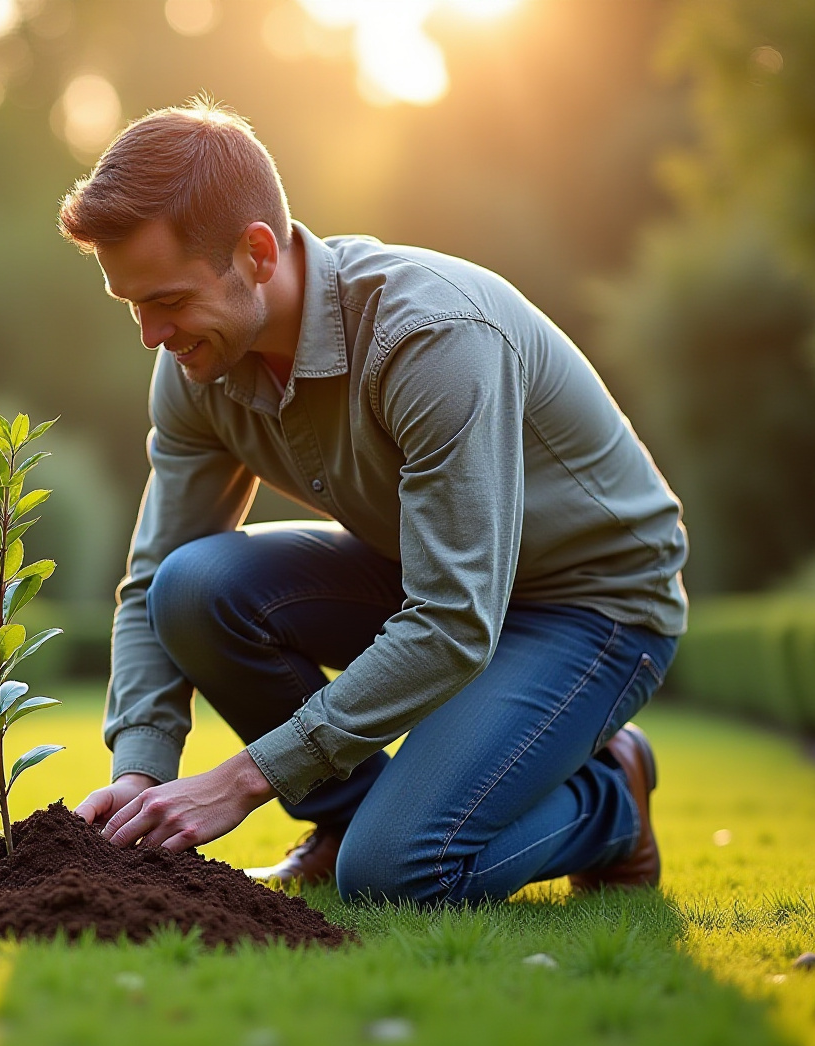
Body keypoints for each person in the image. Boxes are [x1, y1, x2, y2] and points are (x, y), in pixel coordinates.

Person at [66, 99, 688, 905]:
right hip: (433, 580)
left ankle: (612, 805)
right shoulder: (200, 364)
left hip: (591, 607)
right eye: (134, 306)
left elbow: (453, 621)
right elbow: (152, 584)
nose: (151, 334)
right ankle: (347, 820)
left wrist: (245, 779)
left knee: (397, 875)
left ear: (256, 252)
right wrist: (141, 773)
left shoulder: (429, 338)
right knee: (191, 586)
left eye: (170, 301)